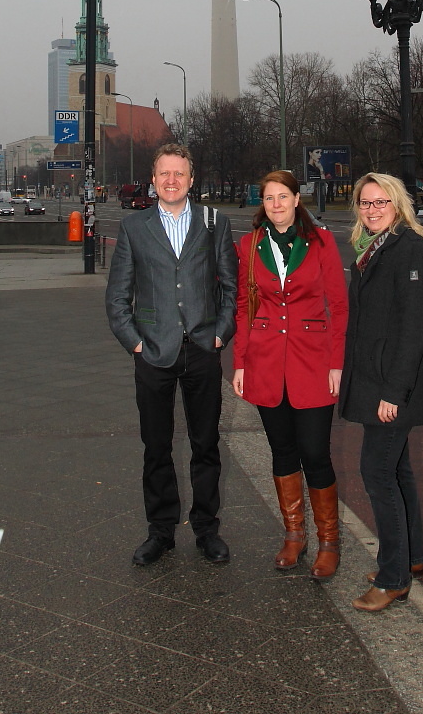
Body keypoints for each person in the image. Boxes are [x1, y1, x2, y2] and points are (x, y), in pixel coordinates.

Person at [106, 143, 237, 566]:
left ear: (191, 179)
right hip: (153, 352)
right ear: (153, 179)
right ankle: (160, 531)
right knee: (156, 447)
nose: (171, 180)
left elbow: (231, 288)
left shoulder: (214, 222)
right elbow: (117, 296)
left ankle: (206, 529)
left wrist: (220, 335)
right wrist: (135, 344)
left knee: (206, 445)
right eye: (164, 173)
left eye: (179, 173)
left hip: (201, 350)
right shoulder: (134, 227)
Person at [233, 171, 348, 580]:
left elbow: (339, 305)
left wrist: (337, 363)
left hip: (313, 361)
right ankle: (294, 535)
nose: (276, 204)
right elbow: (244, 306)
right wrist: (240, 362)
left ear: (298, 200)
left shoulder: (321, 242)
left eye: (283, 196)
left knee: (315, 453)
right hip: (266, 362)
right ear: (262, 204)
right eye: (269, 198)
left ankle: (329, 541)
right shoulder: (250, 246)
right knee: (282, 452)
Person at [339, 172, 423, 612]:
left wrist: (394, 393)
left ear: (398, 205)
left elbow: (413, 329)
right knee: (397, 470)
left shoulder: (410, 249)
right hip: (377, 379)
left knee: (377, 472)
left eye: (381, 202)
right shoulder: (373, 248)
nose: (373, 209)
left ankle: (393, 577)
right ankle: (411, 557)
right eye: (366, 203)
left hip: (393, 387)